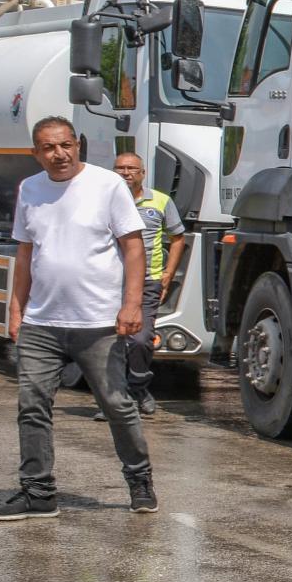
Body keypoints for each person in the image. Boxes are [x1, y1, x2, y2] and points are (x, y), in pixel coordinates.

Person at [0, 118, 152, 520]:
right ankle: (38, 493)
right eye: (48, 148)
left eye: (65, 145)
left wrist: (131, 305)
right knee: (32, 405)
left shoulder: (107, 185)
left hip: (98, 322)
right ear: (36, 153)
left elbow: (133, 248)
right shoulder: (29, 189)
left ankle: (139, 478)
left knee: (117, 404)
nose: (58, 154)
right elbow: (26, 253)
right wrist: (16, 309)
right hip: (42, 322)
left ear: (77, 145)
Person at [108, 151, 186, 416]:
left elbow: (177, 238)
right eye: (120, 168)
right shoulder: (104, 200)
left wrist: (168, 274)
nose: (126, 173)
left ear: (142, 173)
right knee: (111, 342)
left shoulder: (161, 201)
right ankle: (114, 399)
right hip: (109, 282)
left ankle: (138, 387)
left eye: (132, 168)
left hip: (147, 282)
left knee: (140, 340)